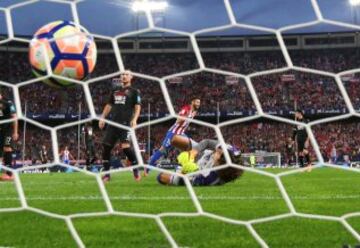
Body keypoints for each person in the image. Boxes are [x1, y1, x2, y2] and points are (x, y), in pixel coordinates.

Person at [99, 70, 141, 182]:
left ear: (131, 77)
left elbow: (137, 107)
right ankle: (107, 174)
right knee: (106, 147)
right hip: (113, 123)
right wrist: (102, 117)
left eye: (126, 74)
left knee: (126, 147)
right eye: (122, 74)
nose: (124, 76)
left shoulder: (135, 91)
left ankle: (136, 168)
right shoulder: (115, 90)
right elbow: (109, 105)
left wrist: (135, 119)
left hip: (125, 124)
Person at [157, 135, 243, 186]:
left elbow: (185, 180)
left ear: (220, 164)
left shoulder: (209, 178)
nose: (216, 151)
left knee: (161, 177)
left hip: (198, 170)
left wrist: (184, 170)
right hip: (202, 155)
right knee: (175, 139)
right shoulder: (229, 150)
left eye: (217, 154)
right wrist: (194, 152)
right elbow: (207, 142)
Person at [147, 97, 200, 174]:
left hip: (181, 133)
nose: (199, 104)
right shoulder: (186, 109)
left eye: (199, 102)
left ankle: (185, 168)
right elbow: (178, 120)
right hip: (173, 133)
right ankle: (148, 168)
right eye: (197, 102)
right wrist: (185, 117)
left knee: (190, 149)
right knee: (162, 150)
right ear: (192, 102)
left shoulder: (194, 111)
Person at [0, 90, 18, 181]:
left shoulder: (8, 102)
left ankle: (9, 174)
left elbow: (14, 116)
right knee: (2, 151)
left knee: (7, 148)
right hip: (1, 130)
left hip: (8, 129)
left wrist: (15, 132)